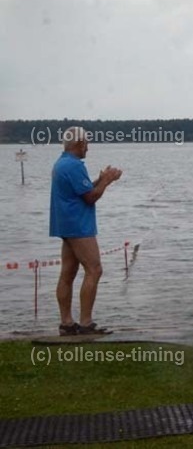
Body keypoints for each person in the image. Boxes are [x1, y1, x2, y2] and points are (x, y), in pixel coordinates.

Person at [50, 126, 122, 337]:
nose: (88, 148)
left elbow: (83, 189)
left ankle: (66, 323)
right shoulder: (74, 166)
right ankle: (86, 323)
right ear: (79, 144)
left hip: (65, 225)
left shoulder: (61, 163)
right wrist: (107, 181)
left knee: (68, 273)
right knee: (94, 269)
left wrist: (99, 179)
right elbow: (90, 197)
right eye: (87, 144)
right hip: (78, 226)